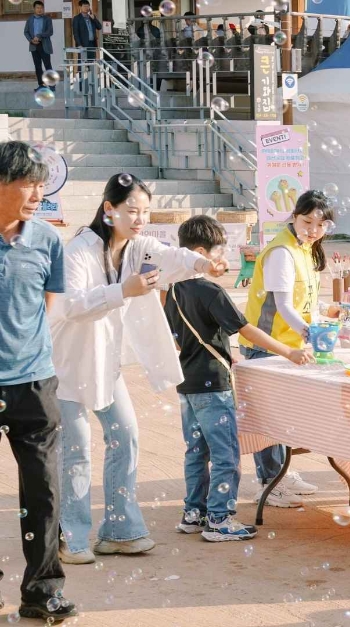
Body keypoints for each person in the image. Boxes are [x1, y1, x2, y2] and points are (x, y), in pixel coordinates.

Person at [50, 174, 228, 564]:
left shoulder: (138, 247)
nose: (140, 218)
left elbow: (172, 257)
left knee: (125, 436)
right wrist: (122, 291)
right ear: (108, 209)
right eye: (132, 210)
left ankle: (119, 530)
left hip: (105, 363)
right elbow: (70, 305)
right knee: (76, 452)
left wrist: (204, 262)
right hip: (68, 366)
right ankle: (71, 539)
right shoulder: (79, 249)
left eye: (145, 211)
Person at [165, 215, 311, 541]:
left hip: (186, 383)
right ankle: (220, 519)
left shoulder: (172, 292)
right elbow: (246, 329)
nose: (224, 258)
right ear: (201, 252)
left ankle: (194, 514)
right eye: (220, 251)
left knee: (196, 453)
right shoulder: (209, 291)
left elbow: (176, 340)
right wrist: (288, 352)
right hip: (213, 386)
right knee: (226, 455)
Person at [0, 141, 77, 622]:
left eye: (40, 183)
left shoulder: (47, 240)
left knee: (44, 490)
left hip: (33, 383)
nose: (37, 191)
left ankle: (42, 590)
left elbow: (48, 302)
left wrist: (25, 350)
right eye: (27, 182)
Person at [239, 190, 340, 507]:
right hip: (266, 345)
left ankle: (279, 473)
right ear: (294, 217)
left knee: (281, 416)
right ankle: (270, 481)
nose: (313, 229)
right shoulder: (282, 251)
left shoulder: (305, 248)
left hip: (289, 346)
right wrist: (312, 330)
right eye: (307, 221)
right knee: (268, 418)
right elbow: (282, 305)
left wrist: (327, 312)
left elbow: (302, 300)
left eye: (320, 224)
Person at [24, 2, 53, 92]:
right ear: (34, 9)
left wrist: (39, 36)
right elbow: (26, 32)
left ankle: (52, 85)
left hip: (44, 45)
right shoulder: (30, 19)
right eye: (37, 8)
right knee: (38, 67)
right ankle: (41, 85)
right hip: (34, 45)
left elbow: (50, 32)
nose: (39, 9)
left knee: (47, 65)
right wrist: (31, 40)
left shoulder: (47, 19)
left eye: (41, 8)